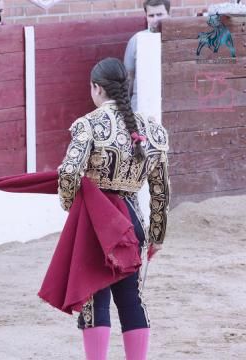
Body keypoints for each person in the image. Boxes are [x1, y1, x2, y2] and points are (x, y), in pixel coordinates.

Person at [57, 57, 169, 360]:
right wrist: (157, 235)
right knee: (131, 298)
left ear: (96, 88)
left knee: (95, 300)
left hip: (97, 223)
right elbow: (160, 190)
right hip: (132, 222)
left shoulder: (89, 124)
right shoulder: (153, 130)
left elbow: (68, 173)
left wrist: (72, 207)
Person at [124, 0, 170, 111]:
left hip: (171, 105)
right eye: (151, 15)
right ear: (146, 17)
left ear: (169, 14)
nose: (155, 19)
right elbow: (128, 78)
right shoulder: (136, 40)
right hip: (141, 106)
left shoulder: (179, 39)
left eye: (160, 14)